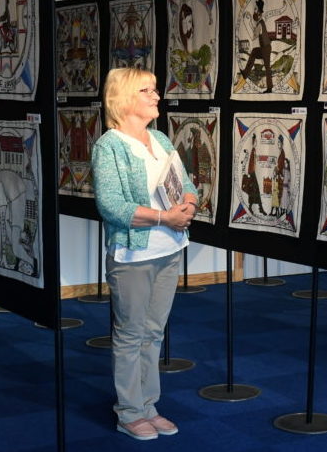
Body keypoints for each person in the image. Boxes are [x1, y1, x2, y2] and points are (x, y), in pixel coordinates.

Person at [91, 68, 198, 441]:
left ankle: (148, 406)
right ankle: (129, 412)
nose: (157, 96)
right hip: (132, 256)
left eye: (155, 90)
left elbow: (186, 184)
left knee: (154, 333)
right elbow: (111, 206)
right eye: (147, 90)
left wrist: (187, 205)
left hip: (170, 249)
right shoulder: (110, 146)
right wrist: (163, 217)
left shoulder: (161, 139)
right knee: (131, 334)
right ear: (124, 99)